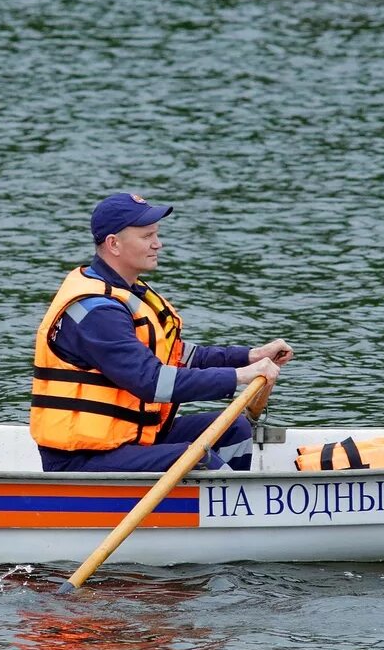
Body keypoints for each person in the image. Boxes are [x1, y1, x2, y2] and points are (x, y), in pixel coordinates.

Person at [30, 193, 293, 473]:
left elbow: (177, 355)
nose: (158, 244)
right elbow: (152, 382)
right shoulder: (97, 312)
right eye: (147, 236)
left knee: (233, 428)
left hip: (129, 438)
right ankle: (234, 509)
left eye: (156, 234)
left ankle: (228, 506)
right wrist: (239, 377)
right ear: (113, 244)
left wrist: (249, 357)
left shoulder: (128, 293)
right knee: (195, 455)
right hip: (82, 459)